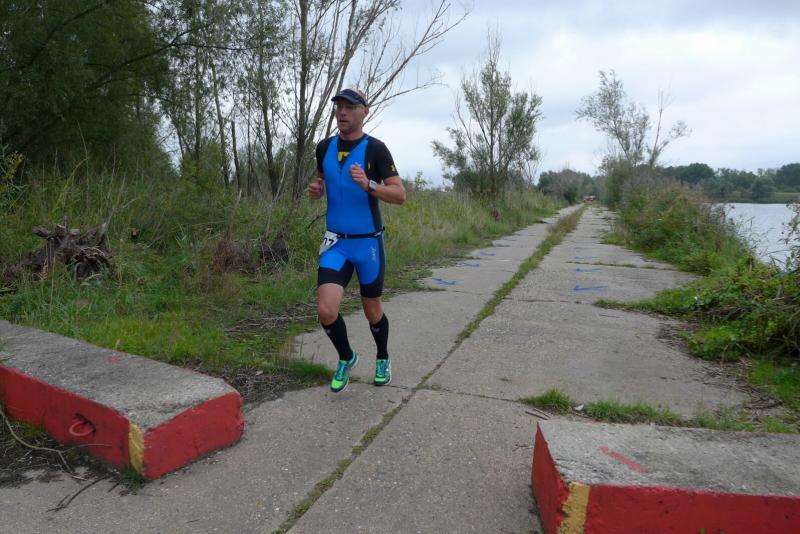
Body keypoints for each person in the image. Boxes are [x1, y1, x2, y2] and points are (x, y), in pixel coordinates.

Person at [308, 88, 406, 393]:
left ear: (365, 111)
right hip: (336, 243)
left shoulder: (376, 150)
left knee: (371, 310)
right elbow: (321, 179)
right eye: (339, 106)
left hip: (367, 245)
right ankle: (346, 357)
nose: (342, 111)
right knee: (326, 310)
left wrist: (369, 184)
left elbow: (399, 195)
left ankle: (382, 357)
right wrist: (316, 189)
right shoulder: (324, 147)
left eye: (349, 106)